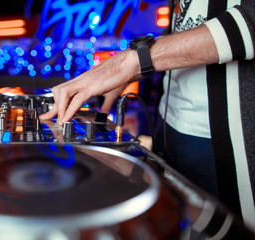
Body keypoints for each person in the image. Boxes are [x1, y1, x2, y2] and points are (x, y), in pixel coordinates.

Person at [40, 0, 255, 229]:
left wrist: (135, 60)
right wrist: (132, 69)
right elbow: (185, 28)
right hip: (170, 132)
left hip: (226, 145)